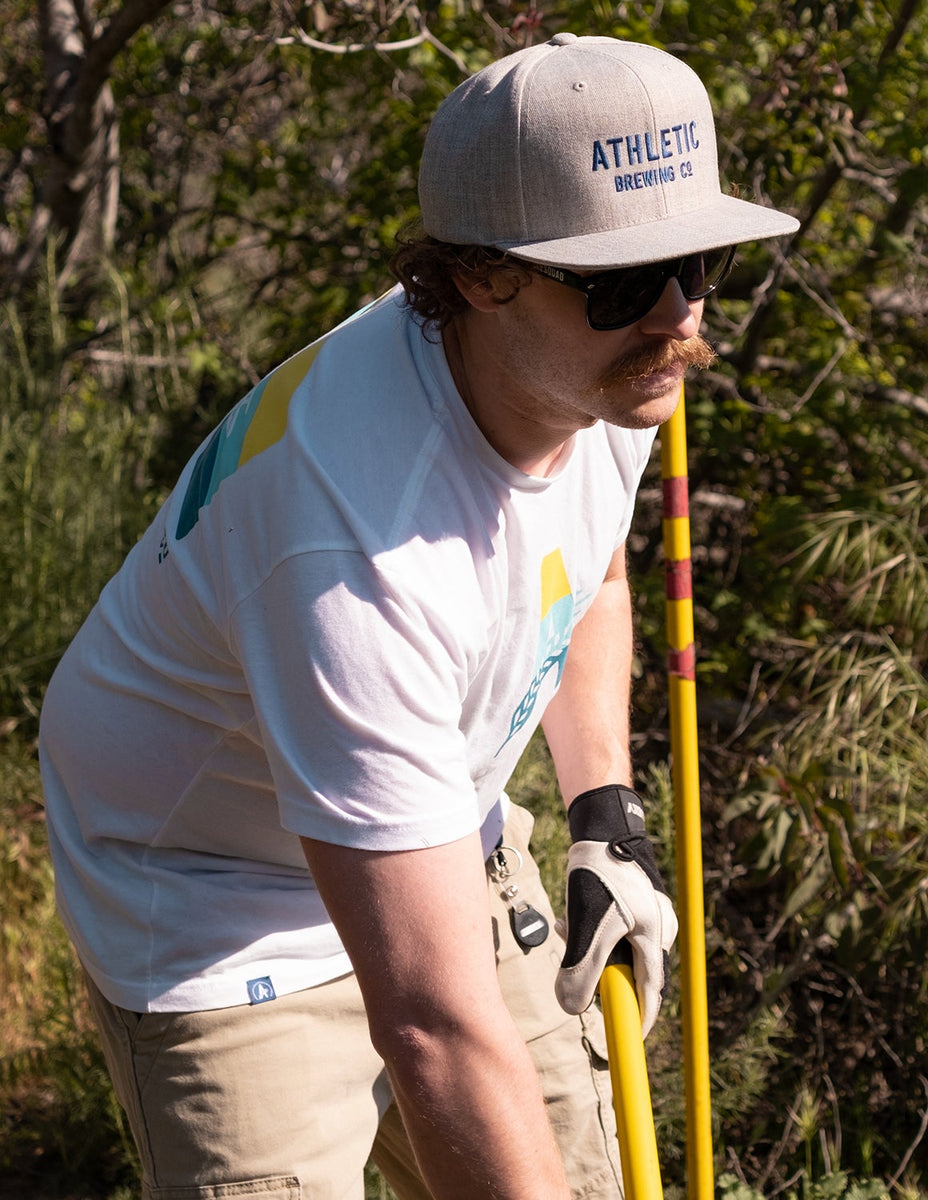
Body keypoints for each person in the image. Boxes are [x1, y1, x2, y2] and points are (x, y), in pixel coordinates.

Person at [39, 31, 799, 1200]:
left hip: (440, 831)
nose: (677, 319)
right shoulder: (355, 544)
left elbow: (585, 573)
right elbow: (435, 1029)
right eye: (619, 281)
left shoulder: (600, 376)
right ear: (479, 275)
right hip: (214, 903)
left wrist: (604, 808)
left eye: (700, 264)